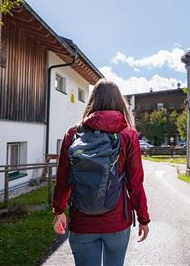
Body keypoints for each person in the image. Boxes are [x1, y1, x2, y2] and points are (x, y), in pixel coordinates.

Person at [52, 79, 150, 266]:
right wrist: (143, 218)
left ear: (92, 101)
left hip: (82, 222)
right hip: (117, 223)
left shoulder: (73, 133)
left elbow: (63, 179)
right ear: (119, 102)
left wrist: (59, 211)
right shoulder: (128, 135)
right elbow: (135, 183)